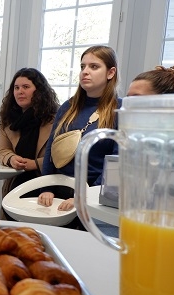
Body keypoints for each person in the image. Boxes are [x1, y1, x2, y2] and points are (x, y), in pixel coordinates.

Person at [38, 45, 121, 226]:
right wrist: (47, 187)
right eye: (82, 66)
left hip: (93, 197)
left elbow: (115, 161)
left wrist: (84, 197)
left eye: (94, 66)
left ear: (110, 72)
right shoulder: (68, 107)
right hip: (58, 195)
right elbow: (51, 150)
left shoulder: (118, 110)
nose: (85, 72)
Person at [0, 68, 59, 220]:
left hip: (46, 185)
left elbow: (61, 156)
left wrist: (35, 164)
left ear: (39, 91)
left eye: (26, 87)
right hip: (14, 184)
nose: (20, 92)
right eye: (16, 88)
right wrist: (11, 158)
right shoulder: (7, 119)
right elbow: (2, 150)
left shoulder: (55, 119)